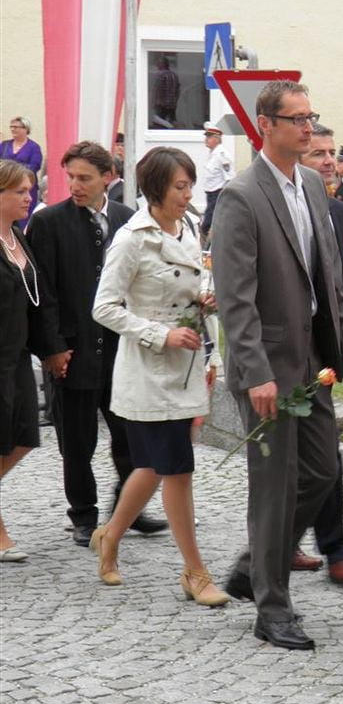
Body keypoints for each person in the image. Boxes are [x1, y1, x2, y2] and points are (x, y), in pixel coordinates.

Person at [212, 80, 343, 650]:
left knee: (322, 473)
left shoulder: (313, 186)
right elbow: (236, 299)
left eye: (310, 117)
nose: (308, 128)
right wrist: (255, 373)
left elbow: (328, 275)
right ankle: (272, 608)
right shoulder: (241, 196)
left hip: (315, 360)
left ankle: (255, 564)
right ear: (265, 126)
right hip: (269, 367)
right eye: (297, 119)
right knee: (274, 489)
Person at [89, 147, 228, 605]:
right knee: (177, 470)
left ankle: (110, 536)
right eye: (179, 187)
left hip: (187, 364)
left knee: (152, 466)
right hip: (149, 370)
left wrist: (204, 303)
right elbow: (104, 307)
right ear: (155, 189)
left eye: (190, 186)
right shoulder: (132, 239)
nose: (187, 196)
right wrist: (159, 334)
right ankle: (195, 572)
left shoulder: (187, 227)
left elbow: (190, 284)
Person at [26, 141, 166, 547]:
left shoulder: (127, 217)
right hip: (72, 351)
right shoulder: (48, 222)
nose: (75, 185)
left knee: (129, 435)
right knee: (77, 441)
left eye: (84, 178)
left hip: (122, 351)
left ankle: (128, 508)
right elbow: (43, 292)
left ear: (108, 177)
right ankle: (83, 515)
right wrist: (52, 348)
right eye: (70, 177)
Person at [293, 123, 343, 583]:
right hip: (285, 349)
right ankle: (279, 543)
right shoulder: (277, 205)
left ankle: (336, 549)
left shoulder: (339, 211)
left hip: (325, 348)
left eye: (331, 154)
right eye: (316, 154)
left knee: (327, 456)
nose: (327, 162)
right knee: (286, 456)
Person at [0, 161, 42, 563]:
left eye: (29, 191)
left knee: (26, 435)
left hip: (19, 357)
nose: (28, 198)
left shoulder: (19, 238)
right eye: (20, 192)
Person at [1, 117, 44, 222]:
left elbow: (35, 166)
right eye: (11, 127)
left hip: (26, 186)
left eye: (16, 127)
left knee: (23, 216)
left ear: (25, 129)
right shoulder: (4, 145)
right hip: (6, 186)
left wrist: (13, 169)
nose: (12, 129)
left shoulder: (34, 147)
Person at [199, 122, 234, 240]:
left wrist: (225, 197)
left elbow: (229, 178)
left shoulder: (222, 155)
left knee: (208, 223)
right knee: (210, 222)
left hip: (217, 193)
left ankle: (205, 242)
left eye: (209, 137)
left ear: (217, 139)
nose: (206, 139)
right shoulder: (212, 154)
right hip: (211, 193)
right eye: (206, 136)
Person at [151, 57, 180, 128]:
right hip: (172, 104)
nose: (157, 65)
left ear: (163, 64)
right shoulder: (174, 75)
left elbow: (158, 89)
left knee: (159, 122)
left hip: (162, 104)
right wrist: (175, 100)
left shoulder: (160, 74)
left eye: (158, 63)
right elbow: (178, 90)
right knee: (171, 121)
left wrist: (156, 102)